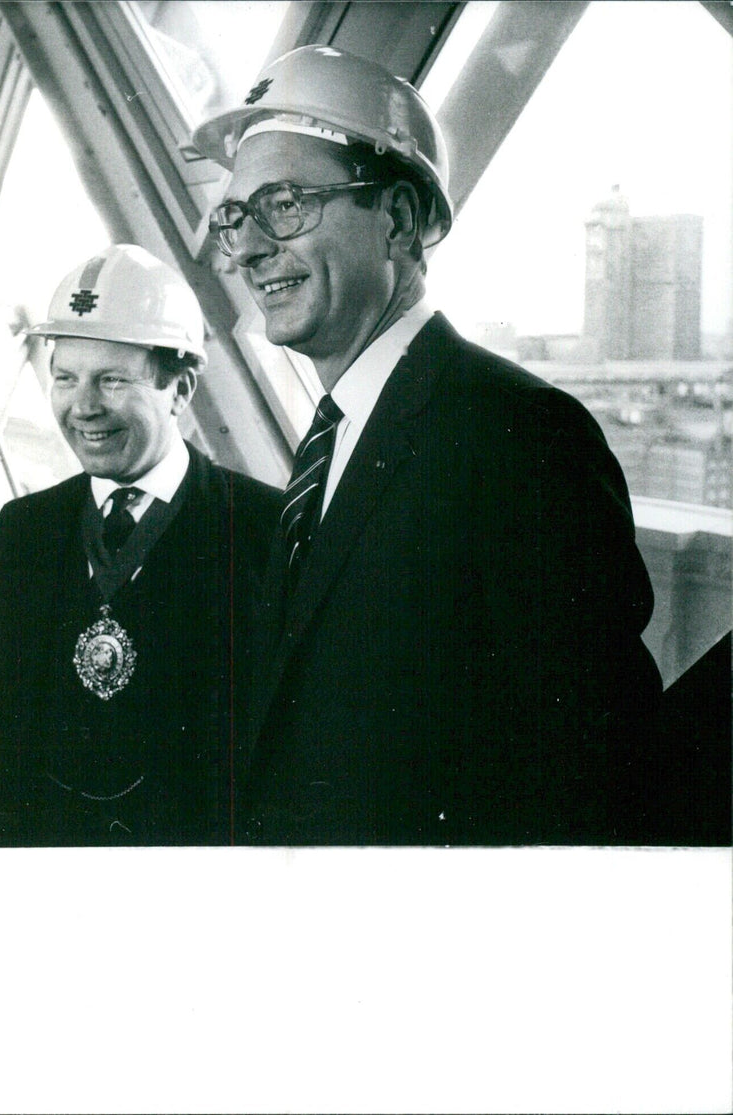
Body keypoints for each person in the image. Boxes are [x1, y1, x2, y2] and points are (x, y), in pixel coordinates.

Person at [191, 46, 664, 846]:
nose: (246, 249)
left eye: (286, 204)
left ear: (400, 222)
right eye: (237, 216)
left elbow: (602, 786)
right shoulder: (334, 438)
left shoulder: (519, 437)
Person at [0, 244, 280, 846]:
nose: (83, 407)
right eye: (65, 378)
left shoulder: (267, 531)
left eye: (111, 380)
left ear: (180, 390)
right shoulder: (27, 529)